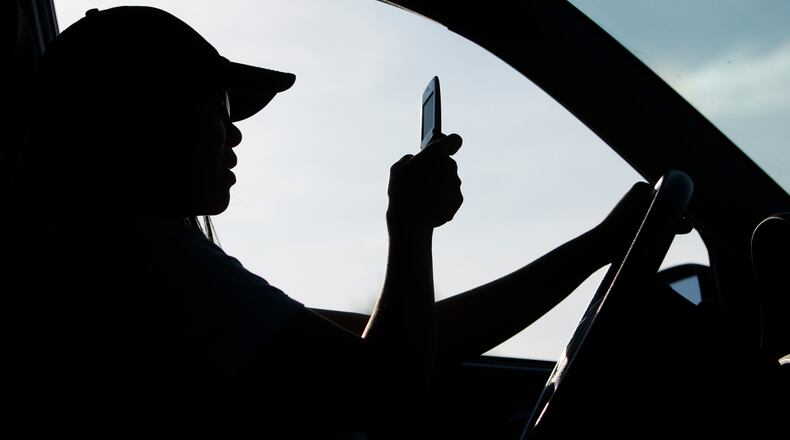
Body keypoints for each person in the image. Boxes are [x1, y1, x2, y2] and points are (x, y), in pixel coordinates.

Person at [9, 6, 650, 438]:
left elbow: (411, 344)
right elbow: (386, 395)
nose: (234, 130)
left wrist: (597, 247)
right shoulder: (145, 266)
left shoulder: (128, 263)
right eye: (218, 104)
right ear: (140, 121)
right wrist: (411, 229)